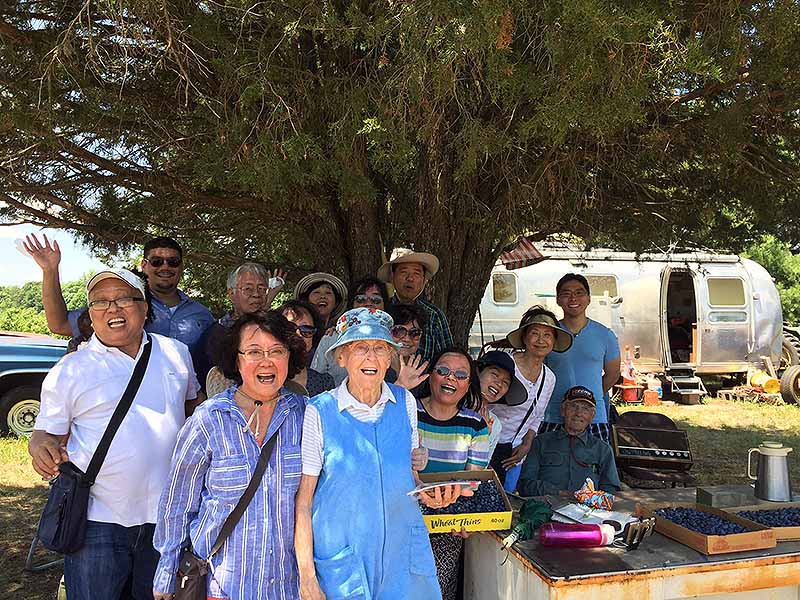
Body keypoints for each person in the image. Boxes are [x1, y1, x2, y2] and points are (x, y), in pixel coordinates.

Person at [28, 268, 200, 600]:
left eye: (124, 298)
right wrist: (42, 448)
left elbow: (194, 408)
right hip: (98, 520)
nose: (112, 308)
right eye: (101, 302)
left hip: (167, 518)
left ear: (145, 307)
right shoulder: (71, 369)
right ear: (90, 315)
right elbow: (44, 434)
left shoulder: (176, 353)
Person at [294, 308, 465, 600]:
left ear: (390, 359)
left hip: (402, 555)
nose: (371, 357)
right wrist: (307, 576)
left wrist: (431, 495)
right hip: (344, 559)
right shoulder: (320, 410)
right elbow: (304, 500)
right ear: (341, 357)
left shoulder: (405, 402)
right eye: (360, 347)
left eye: (380, 349)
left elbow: (410, 479)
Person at [153, 311, 306, 600]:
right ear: (236, 359)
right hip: (221, 586)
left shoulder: (306, 416)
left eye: (277, 351)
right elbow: (177, 502)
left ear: (290, 357)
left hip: (288, 586)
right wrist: (166, 570)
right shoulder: (209, 419)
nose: (266, 361)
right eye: (253, 351)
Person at [23, 234, 215, 356]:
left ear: (181, 266)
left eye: (173, 261)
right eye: (157, 261)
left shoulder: (202, 314)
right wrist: (50, 271)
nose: (165, 267)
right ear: (144, 265)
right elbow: (59, 325)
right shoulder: (123, 305)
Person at [417, 348, 489, 600]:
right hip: (402, 521)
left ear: (469, 385)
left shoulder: (475, 425)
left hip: (448, 526)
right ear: (430, 375)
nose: (451, 379)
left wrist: (464, 519)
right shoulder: (406, 412)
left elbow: (473, 483)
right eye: (443, 371)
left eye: (461, 375)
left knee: (437, 593)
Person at [490, 306, 574, 486]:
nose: (541, 340)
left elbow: (538, 416)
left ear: (554, 341)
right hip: (484, 447)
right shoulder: (505, 365)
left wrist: (526, 444)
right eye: (535, 333)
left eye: (547, 335)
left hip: (514, 453)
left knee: (508, 503)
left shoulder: (549, 377)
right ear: (524, 337)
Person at [541, 274, 621, 443]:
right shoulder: (549, 334)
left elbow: (612, 375)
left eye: (579, 293)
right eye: (566, 293)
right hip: (553, 415)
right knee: (551, 466)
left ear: (589, 298)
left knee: (592, 466)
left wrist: (591, 396)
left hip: (594, 416)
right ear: (558, 299)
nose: (573, 298)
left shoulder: (605, 335)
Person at [517, 386, 621, 497]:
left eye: (585, 409)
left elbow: (610, 490)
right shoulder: (541, 442)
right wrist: (560, 493)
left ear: (592, 416)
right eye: (573, 407)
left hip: (587, 511)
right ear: (563, 410)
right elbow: (525, 485)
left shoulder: (603, 449)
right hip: (545, 508)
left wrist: (592, 500)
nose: (579, 413)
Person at [196, 262, 286, 389]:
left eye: (262, 289)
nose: (256, 294)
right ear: (231, 293)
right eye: (248, 289)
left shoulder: (275, 329)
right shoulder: (215, 334)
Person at [377, 248, 453, 364]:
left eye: (416, 274)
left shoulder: (434, 315)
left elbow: (447, 357)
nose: (410, 278)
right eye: (404, 272)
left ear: (424, 280)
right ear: (392, 276)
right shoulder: (381, 312)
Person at [311, 275, 390, 385]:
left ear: (384, 306)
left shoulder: (394, 339)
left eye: (376, 300)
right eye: (360, 299)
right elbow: (314, 380)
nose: (368, 304)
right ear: (351, 305)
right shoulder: (331, 338)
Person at [475, 350, 528, 461]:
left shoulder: (494, 424)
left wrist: (484, 435)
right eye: (494, 374)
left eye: (505, 382)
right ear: (477, 372)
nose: (499, 383)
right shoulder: (452, 405)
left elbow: (481, 466)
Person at [279, 300, 335, 396]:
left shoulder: (324, 383)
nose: (298, 335)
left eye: (307, 330)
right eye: (290, 328)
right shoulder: (263, 376)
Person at [385, 302, 430, 395]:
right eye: (399, 331)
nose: (407, 339)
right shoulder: (374, 366)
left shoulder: (425, 370)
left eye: (415, 333)